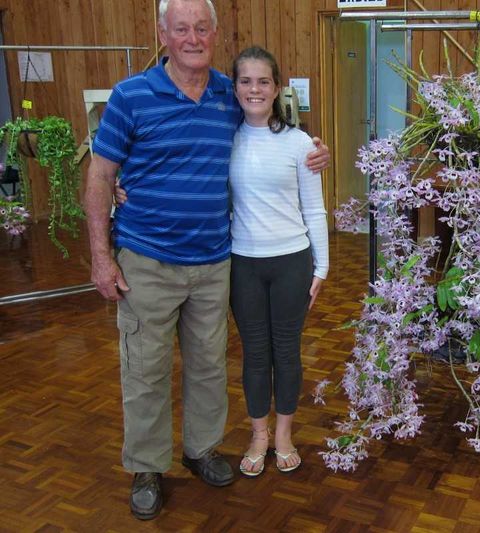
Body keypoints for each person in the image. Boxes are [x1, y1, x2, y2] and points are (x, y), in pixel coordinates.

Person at [84, 0, 329, 521]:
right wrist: (101, 258)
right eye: (181, 29)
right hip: (147, 259)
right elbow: (101, 176)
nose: (192, 37)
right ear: (162, 33)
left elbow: (272, 135)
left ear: (215, 34)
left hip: (216, 260)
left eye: (201, 28)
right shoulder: (131, 96)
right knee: (146, 370)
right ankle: (147, 468)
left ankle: (201, 451)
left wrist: (314, 149)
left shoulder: (228, 92)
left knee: (207, 367)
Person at [228, 46, 328, 477]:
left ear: (277, 88)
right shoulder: (224, 138)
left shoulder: (299, 142)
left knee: (286, 352)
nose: (254, 89)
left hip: (291, 262)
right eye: (246, 80)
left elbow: (315, 209)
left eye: (263, 81)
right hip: (242, 265)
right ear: (235, 87)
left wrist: (321, 267)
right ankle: (259, 434)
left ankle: (284, 433)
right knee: (254, 353)